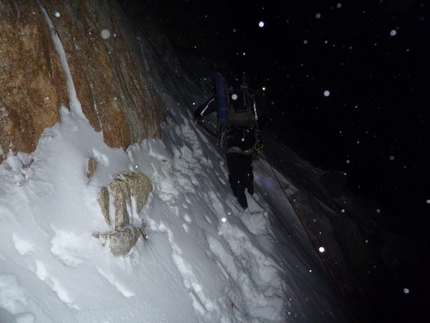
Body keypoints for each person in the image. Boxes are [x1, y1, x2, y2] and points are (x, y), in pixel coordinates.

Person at [194, 74, 265, 209]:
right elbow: (258, 117)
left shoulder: (224, 96)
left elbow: (208, 106)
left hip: (232, 137)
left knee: (234, 169)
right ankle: (249, 191)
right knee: (246, 166)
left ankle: (241, 202)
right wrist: (258, 138)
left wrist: (197, 114)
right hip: (248, 137)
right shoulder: (249, 96)